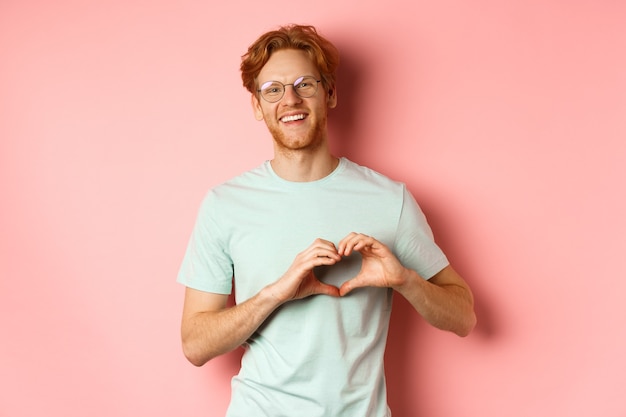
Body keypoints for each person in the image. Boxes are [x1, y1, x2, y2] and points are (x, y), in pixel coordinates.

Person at [178, 24, 476, 417]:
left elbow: (464, 317)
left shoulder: (389, 199)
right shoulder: (225, 204)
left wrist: (405, 279)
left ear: (330, 93)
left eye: (305, 84)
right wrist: (276, 293)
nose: (290, 99)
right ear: (257, 105)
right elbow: (195, 345)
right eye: (273, 89)